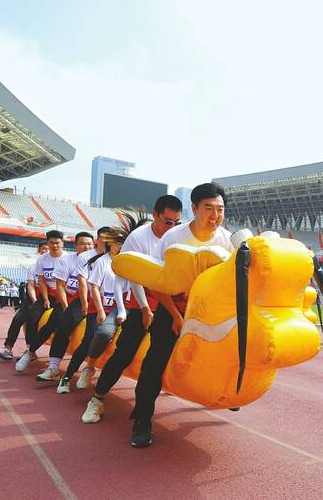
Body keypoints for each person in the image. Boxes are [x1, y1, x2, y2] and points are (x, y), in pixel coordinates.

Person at [128, 183, 233, 448]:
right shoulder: (173, 238)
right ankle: (142, 421)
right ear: (194, 208)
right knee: (154, 362)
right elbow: (157, 281)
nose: (215, 215)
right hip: (172, 307)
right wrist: (176, 316)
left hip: (208, 310)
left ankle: (230, 394)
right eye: (209, 208)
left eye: (220, 209)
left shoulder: (226, 240)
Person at [81, 195, 182, 439]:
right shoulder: (138, 238)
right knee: (125, 351)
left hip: (169, 303)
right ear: (156, 215)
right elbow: (136, 277)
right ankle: (97, 398)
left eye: (177, 222)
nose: (172, 227)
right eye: (168, 221)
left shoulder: (179, 237)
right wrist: (146, 309)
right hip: (141, 302)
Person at [65, 221, 136, 391]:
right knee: (101, 333)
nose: (121, 247)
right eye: (118, 243)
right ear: (110, 244)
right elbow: (93, 287)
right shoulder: (101, 262)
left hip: (124, 307)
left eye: (124, 243)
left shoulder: (129, 262)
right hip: (104, 308)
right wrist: (100, 311)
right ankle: (86, 367)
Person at [53, 228, 112, 392]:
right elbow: (88, 284)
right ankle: (67, 377)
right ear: (98, 240)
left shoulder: (124, 260)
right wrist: (91, 306)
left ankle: (90, 368)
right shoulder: (96, 260)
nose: (109, 243)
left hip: (118, 308)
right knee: (89, 338)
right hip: (97, 305)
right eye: (105, 239)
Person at [31, 231, 96, 382]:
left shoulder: (100, 260)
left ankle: (88, 368)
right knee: (62, 325)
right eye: (82, 243)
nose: (86, 247)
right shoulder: (67, 260)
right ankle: (53, 367)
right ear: (75, 246)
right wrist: (66, 306)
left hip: (99, 301)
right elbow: (60, 285)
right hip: (75, 300)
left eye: (89, 244)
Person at [15, 231, 68, 372]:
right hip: (49, 293)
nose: (55, 245)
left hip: (65, 294)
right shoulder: (43, 259)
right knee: (32, 316)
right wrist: (45, 299)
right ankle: (30, 351)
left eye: (58, 243)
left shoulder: (69, 259)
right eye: (52, 243)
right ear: (48, 243)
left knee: (55, 322)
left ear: (63, 243)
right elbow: (42, 281)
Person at [0, 241, 48, 362]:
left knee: (32, 320)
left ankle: (30, 350)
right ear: (39, 251)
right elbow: (31, 285)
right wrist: (34, 301)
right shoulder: (33, 267)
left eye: (48, 249)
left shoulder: (59, 265)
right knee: (17, 319)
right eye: (44, 248)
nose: (46, 251)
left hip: (50, 299)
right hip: (34, 299)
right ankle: (8, 348)